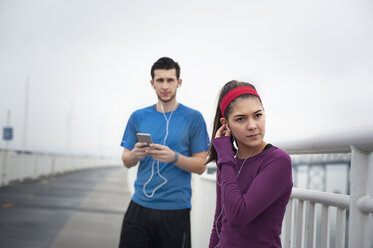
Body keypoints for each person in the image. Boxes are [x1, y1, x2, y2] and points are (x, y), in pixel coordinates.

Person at [119, 57, 210, 248]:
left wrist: (174, 157)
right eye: (160, 80)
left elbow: (201, 166)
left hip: (175, 211)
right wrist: (136, 154)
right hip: (139, 207)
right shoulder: (138, 116)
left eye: (170, 80)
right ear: (152, 83)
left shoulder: (193, 118)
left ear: (179, 82)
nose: (165, 85)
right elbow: (126, 160)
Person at [207, 80, 293, 248]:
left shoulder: (278, 161)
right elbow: (219, 223)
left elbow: (238, 216)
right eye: (241, 119)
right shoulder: (227, 163)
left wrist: (225, 157)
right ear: (226, 124)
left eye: (258, 115)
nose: (252, 126)